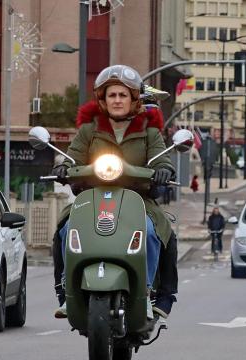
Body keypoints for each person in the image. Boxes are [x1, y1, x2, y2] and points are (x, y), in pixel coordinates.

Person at [50, 65, 176, 321]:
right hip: (92, 197)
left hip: (138, 200)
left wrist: (163, 170)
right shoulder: (89, 130)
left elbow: (163, 160)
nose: (117, 100)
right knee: (65, 229)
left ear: (133, 98)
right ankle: (66, 292)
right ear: (103, 100)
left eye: (122, 95)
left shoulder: (149, 131)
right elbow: (72, 156)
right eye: (112, 95)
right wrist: (63, 167)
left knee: (155, 233)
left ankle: (152, 293)